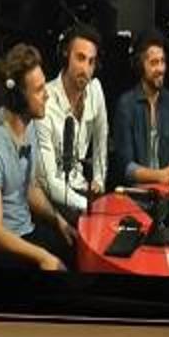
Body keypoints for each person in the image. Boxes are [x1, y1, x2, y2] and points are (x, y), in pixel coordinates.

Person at [0, 44, 62, 272]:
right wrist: (44, 257)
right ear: (18, 98)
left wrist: (60, 222)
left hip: (22, 233)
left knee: (74, 250)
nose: (47, 95)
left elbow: (30, 189)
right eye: (39, 90)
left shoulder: (29, 127)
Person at [33, 26, 107, 249]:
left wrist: (99, 181)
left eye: (91, 62)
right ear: (65, 55)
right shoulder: (44, 103)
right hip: (54, 197)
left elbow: (101, 141)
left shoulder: (96, 90)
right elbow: (48, 182)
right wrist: (88, 206)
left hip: (83, 189)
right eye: (80, 58)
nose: (86, 69)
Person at [111, 37, 169, 191]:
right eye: (154, 63)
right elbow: (126, 167)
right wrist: (160, 176)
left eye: (162, 61)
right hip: (137, 193)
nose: (161, 69)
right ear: (141, 66)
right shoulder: (126, 104)